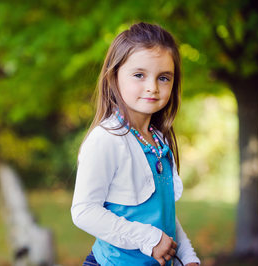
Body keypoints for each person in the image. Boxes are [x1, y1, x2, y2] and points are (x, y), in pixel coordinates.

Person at [71, 22, 201, 266]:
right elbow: (84, 211)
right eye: (139, 75)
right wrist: (148, 239)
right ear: (114, 77)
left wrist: (188, 256)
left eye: (163, 78)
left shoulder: (159, 142)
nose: (152, 87)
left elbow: (165, 216)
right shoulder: (107, 139)